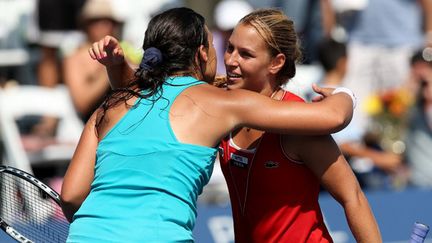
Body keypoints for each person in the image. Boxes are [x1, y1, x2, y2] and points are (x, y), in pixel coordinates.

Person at [63, 7, 355, 242]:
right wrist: (345, 93)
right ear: (203, 54)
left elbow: (72, 195)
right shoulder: (221, 103)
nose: (228, 60)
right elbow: (334, 118)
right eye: (222, 47)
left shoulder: (108, 108)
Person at [218, 9, 380, 242]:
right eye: (230, 48)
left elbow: (352, 197)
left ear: (276, 63)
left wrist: (345, 95)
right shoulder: (221, 103)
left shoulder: (298, 125)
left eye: (246, 54)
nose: (231, 61)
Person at [316, 37, 403, 189]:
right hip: (349, 173)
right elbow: (342, 145)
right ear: (342, 63)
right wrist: (380, 159)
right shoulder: (328, 96)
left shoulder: (330, 92)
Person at [63, 0, 122, 122]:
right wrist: (110, 67)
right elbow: (82, 103)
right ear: (86, 25)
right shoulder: (74, 58)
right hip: (92, 124)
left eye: (107, 21)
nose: (102, 26)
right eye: (96, 22)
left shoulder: (124, 51)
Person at [405, 50, 432, 187]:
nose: (421, 74)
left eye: (427, 67)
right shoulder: (407, 102)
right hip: (414, 183)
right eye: (417, 67)